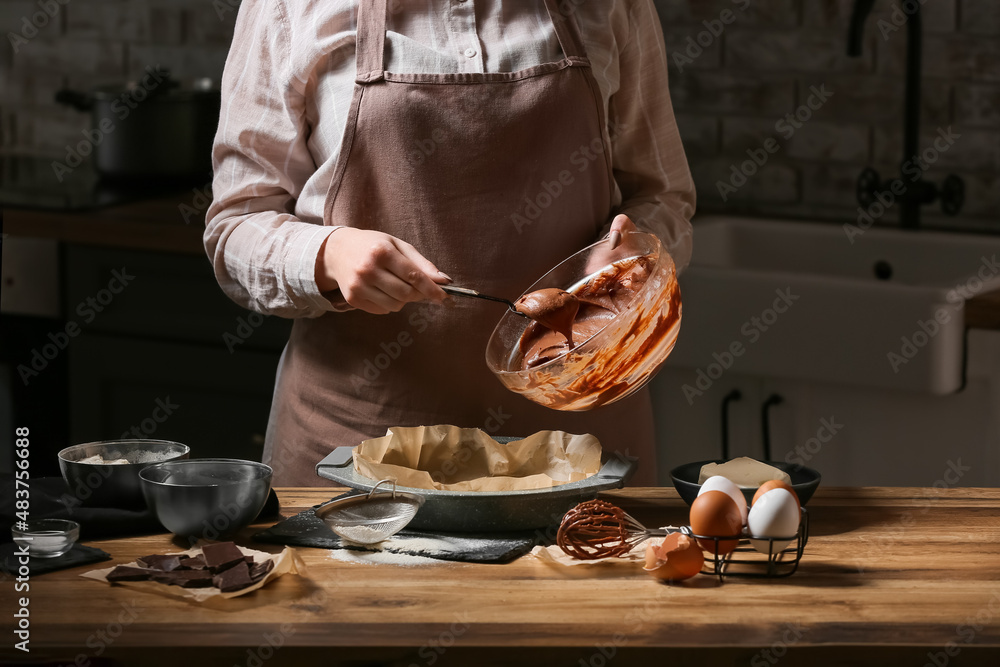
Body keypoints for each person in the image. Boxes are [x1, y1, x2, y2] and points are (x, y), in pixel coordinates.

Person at [205, 0, 695, 487]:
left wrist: (638, 256)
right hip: (359, 447)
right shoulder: (288, 8)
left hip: (579, 448)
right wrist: (326, 255)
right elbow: (237, 225)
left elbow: (663, 193)